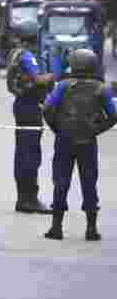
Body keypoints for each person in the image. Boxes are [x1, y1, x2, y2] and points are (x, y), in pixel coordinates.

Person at [42, 48, 117, 241]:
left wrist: (57, 128)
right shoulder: (101, 88)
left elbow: (48, 108)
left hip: (64, 140)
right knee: (89, 183)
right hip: (88, 141)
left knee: (61, 182)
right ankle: (91, 229)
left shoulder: (63, 86)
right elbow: (113, 114)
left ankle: (56, 228)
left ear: (73, 64)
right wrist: (96, 130)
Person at [5, 20, 55, 214]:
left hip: (22, 104)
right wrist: (52, 76)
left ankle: (23, 198)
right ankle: (29, 199)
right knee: (30, 155)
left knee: (23, 153)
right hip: (29, 107)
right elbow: (38, 79)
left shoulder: (15, 52)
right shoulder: (27, 56)